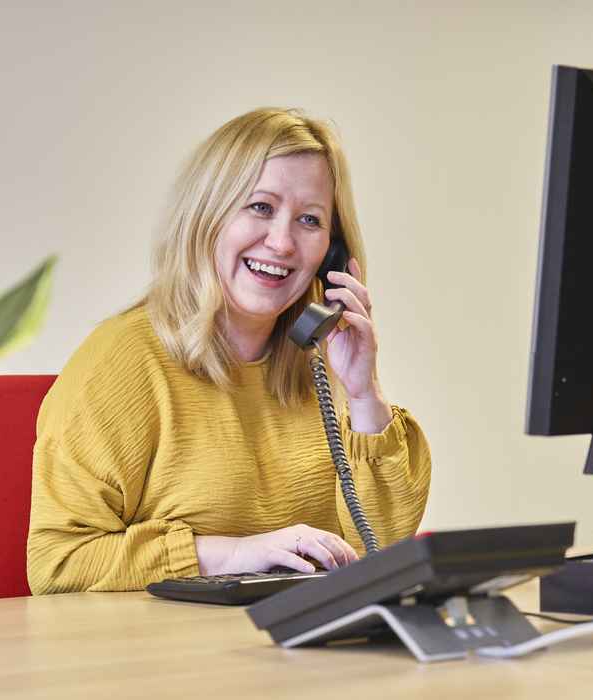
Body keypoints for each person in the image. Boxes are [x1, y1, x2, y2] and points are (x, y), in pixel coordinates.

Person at [27, 108, 432, 593]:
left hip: (303, 653)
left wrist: (365, 393)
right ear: (207, 215)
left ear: (332, 251)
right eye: (260, 207)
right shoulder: (122, 362)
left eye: (309, 219)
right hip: (167, 658)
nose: (282, 242)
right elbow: (57, 565)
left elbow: (379, 553)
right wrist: (234, 553)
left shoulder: (325, 366)